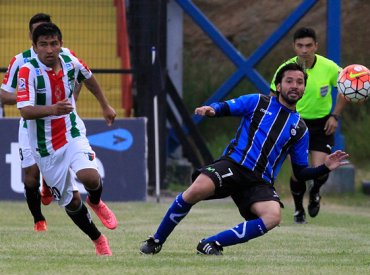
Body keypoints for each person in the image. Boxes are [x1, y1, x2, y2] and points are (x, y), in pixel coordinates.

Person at [139, 63, 349, 255]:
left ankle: (211, 243)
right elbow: (228, 107)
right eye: (289, 81)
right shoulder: (258, 102)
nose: (295, 86)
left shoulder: (300, 129)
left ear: (304, 89)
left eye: (300, 82)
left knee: (273, 216)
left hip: (260, 181)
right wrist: (212, 110)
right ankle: (156, 240)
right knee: (196, 189)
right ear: (278, 85)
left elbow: (301, 172)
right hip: (234, 165)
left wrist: (325, 167)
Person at [17, 22, 118, 256]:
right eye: (43, 45)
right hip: (43, 146)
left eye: (54, 44)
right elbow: (25, 111)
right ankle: (98, 239)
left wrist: (105, 105)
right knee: (71, 202)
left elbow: (90, 78)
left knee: (90, 177)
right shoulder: (28, 71)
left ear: (60, 44)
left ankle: (95, 201)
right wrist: (53, 109)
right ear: (35, 47)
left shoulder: (71, 61)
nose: (49, 49)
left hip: (71, 131)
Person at [0, 13, 81, 231]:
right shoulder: (20, 60)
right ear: (32, 38)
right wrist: (29, 98)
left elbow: (81, 76)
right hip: (30, 124)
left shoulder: (65, 57)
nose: (48, 46)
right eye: (39, 34)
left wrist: (72, 98)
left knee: (64, 164)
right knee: (30, 178)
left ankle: (56, 185)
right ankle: (38, 218)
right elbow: (3, 94)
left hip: (58, 122)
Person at [270, 27, 347, 224]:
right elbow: (273, 97)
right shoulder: (284, 69)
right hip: (295, 123)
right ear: (294, 47)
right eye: (300, 46)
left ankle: (315, 192)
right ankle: (298, 210)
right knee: (299, 173)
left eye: (308, 45)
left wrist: (335, 116)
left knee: (321, 168)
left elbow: (346, 88)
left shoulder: (329, 67)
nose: (304, 50)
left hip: (322, 124)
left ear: (316, 46)